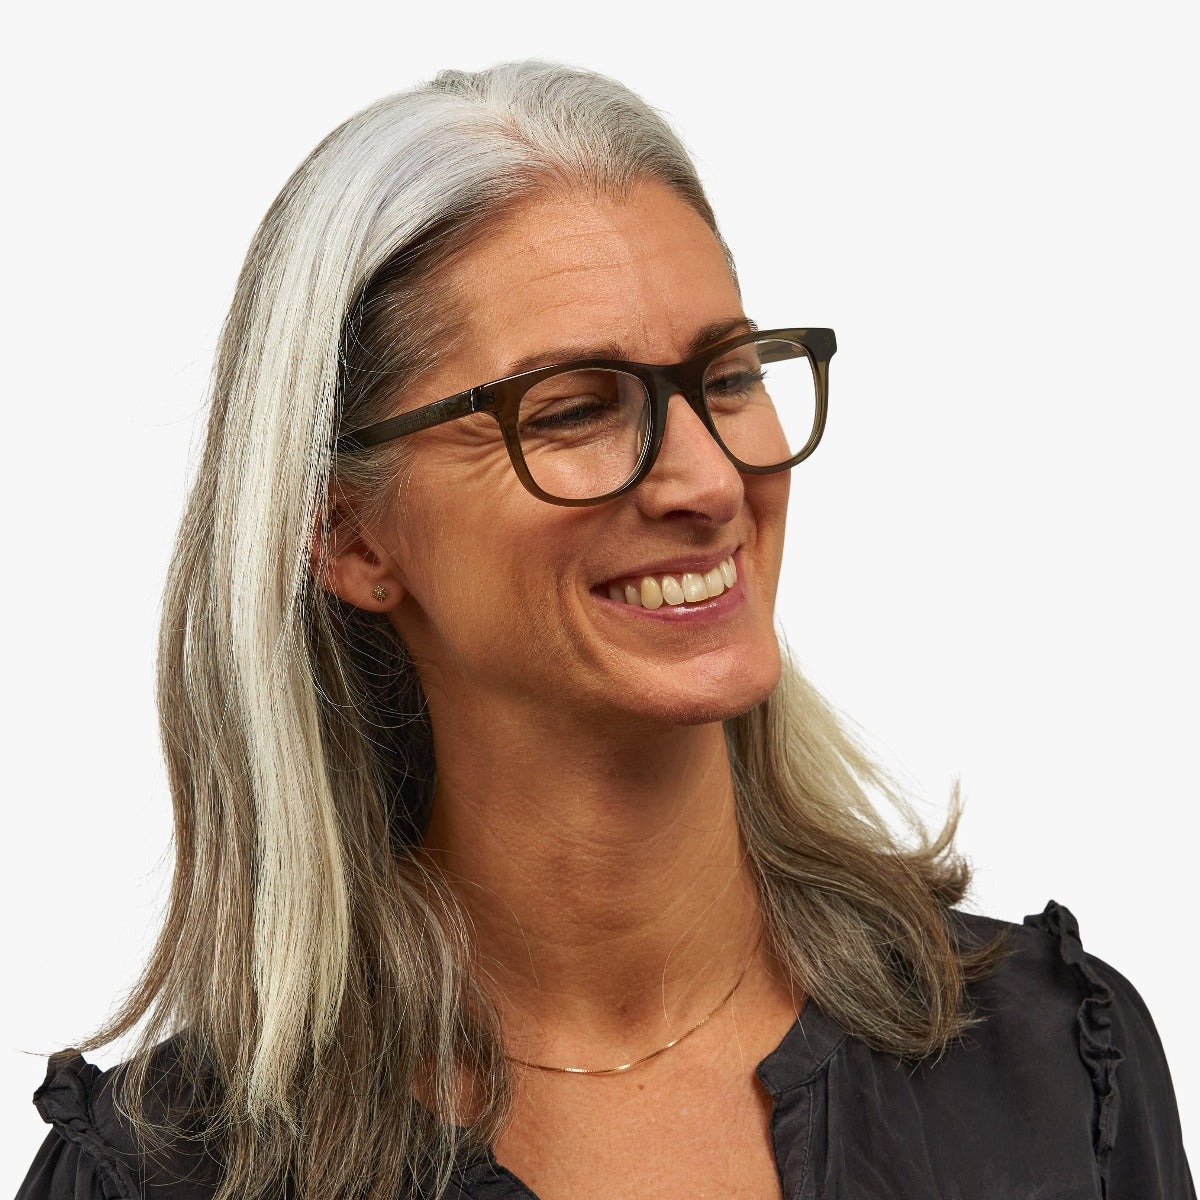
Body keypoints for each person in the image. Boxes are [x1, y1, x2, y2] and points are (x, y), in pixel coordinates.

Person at [18, 61, 1193, 1200]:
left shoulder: (1051, 1068)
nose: (710, 481)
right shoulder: (173, 1178)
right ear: (351, 537)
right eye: (575, 409)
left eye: (728, 378)